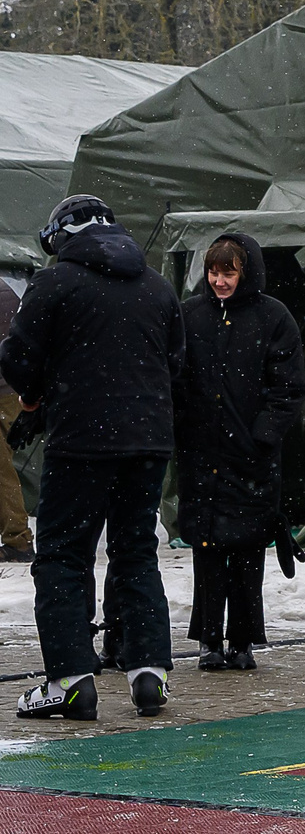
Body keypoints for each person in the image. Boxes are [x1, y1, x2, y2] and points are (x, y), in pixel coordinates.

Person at [1, 194, 186, 720]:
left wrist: (36, 393)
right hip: (149, 440)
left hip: (81, 439)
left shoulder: (55, 282)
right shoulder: (157, 285)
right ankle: (149, 671)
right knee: (134, 552)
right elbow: (176, 366)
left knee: (62, 555)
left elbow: (18, 357)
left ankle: (71, 680)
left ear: (61, 236)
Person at [174, 233, 305, 671]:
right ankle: (209, 638)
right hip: (202, 451)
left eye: (228, 272)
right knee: (207, 548)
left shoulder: (273, 317)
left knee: (249, 547)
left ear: (245, 271)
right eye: (213, 271)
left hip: (250, 455)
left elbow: (288, 386)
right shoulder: (191, 314)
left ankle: (243, 638)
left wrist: (263, 435)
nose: (219, 280)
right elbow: (175, 376)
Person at [0, 274, 32, 563]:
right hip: (12, 391)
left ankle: (18, 540)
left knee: (1, 471)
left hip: (3, 392)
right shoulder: (9, 289)